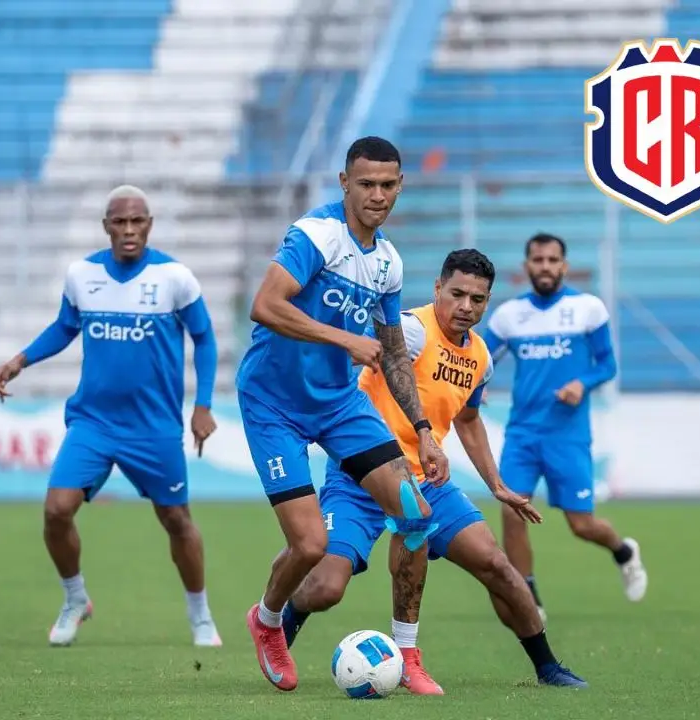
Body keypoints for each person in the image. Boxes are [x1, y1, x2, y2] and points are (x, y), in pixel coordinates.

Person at [279, 249, 588, 691]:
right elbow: (350, 355)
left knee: (497, 566)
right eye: (457, 294)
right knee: (326, 588)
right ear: (437, 289)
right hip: (360, 479)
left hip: (426, 481)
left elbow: (467, 419)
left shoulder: (480, 357)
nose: (466, 306)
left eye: (478, 299)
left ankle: (547, 667)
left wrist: (496, 484)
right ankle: (281, 625)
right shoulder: (409, 329)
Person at [236, 136, 449, 692]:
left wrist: (423, 431)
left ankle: (407, 654)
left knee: (415, 512)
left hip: (336, 403)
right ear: (345, 183)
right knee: (308, 546)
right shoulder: (318, 235)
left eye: (388, 185)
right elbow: (264, 305)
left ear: (400, 186)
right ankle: (267, 619)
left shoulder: (388, 262)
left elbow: (395, 352)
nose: (377, 195)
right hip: (272, 402)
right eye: (366, 184)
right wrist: (342, 339)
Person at [0, 185, 222, 648]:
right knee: (56, 510)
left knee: (177, 521)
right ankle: (76, 599)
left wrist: (203, 405)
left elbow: (206, 338)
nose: (129, 230)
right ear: (106, 226)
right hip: (93, 422)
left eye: (138, 221)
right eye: (120, 221)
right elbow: (64, 327)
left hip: (153, 427)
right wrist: (21, 359)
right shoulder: (83, 275)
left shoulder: (175, 277)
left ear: (150, 225)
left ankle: (200, 615)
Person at [482, 233, 647, 621]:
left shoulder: (587, 309)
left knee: (582, 524)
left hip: (567, 435)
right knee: (511, 510)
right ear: (526, 267)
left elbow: (607, 365)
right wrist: (477, 383)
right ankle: (528, 596)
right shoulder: (510, 315)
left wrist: (582, 383)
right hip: (522, 433)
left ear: (564, 266)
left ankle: (623, 551)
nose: (545, 267)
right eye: (537, 260)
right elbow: (478, 356)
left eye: (552, 260)